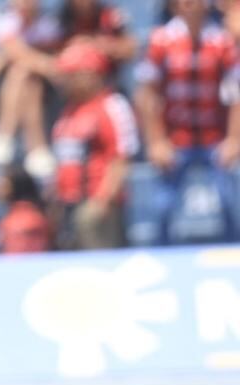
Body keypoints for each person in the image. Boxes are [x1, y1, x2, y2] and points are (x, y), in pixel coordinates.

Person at [135, 0, 240, 245]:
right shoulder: (161, 41)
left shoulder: (221, 41)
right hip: (176, 139)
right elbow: (147, 95)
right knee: (162, 207)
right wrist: (156, 141)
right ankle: (161, 255)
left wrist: (234, 139)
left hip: (214, 138)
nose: (189, 4)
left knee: (230, 202)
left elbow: (236, 93)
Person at [51, 41, 139, 250]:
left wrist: (103, 201)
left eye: (70, 75)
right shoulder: (69, 111)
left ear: (90, 75)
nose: (64, 82)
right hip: (69, 205)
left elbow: (121, 158)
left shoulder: (111, 105)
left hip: (95, 206)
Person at [0, 0, 63, 179]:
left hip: (47, 87)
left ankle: (3, 135)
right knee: (23, 74)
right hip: (7, 85)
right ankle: (37, 147)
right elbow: (16, 52)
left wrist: (3, 59)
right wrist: (41, 63)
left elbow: (44, 56)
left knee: (23, 72)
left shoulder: (49, 23)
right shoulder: (6, 21)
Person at [0, 164, 54, 253]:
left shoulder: (22, 222)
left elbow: (19, 257)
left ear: (14, 187)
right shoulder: (14, 215)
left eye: (2, 186)